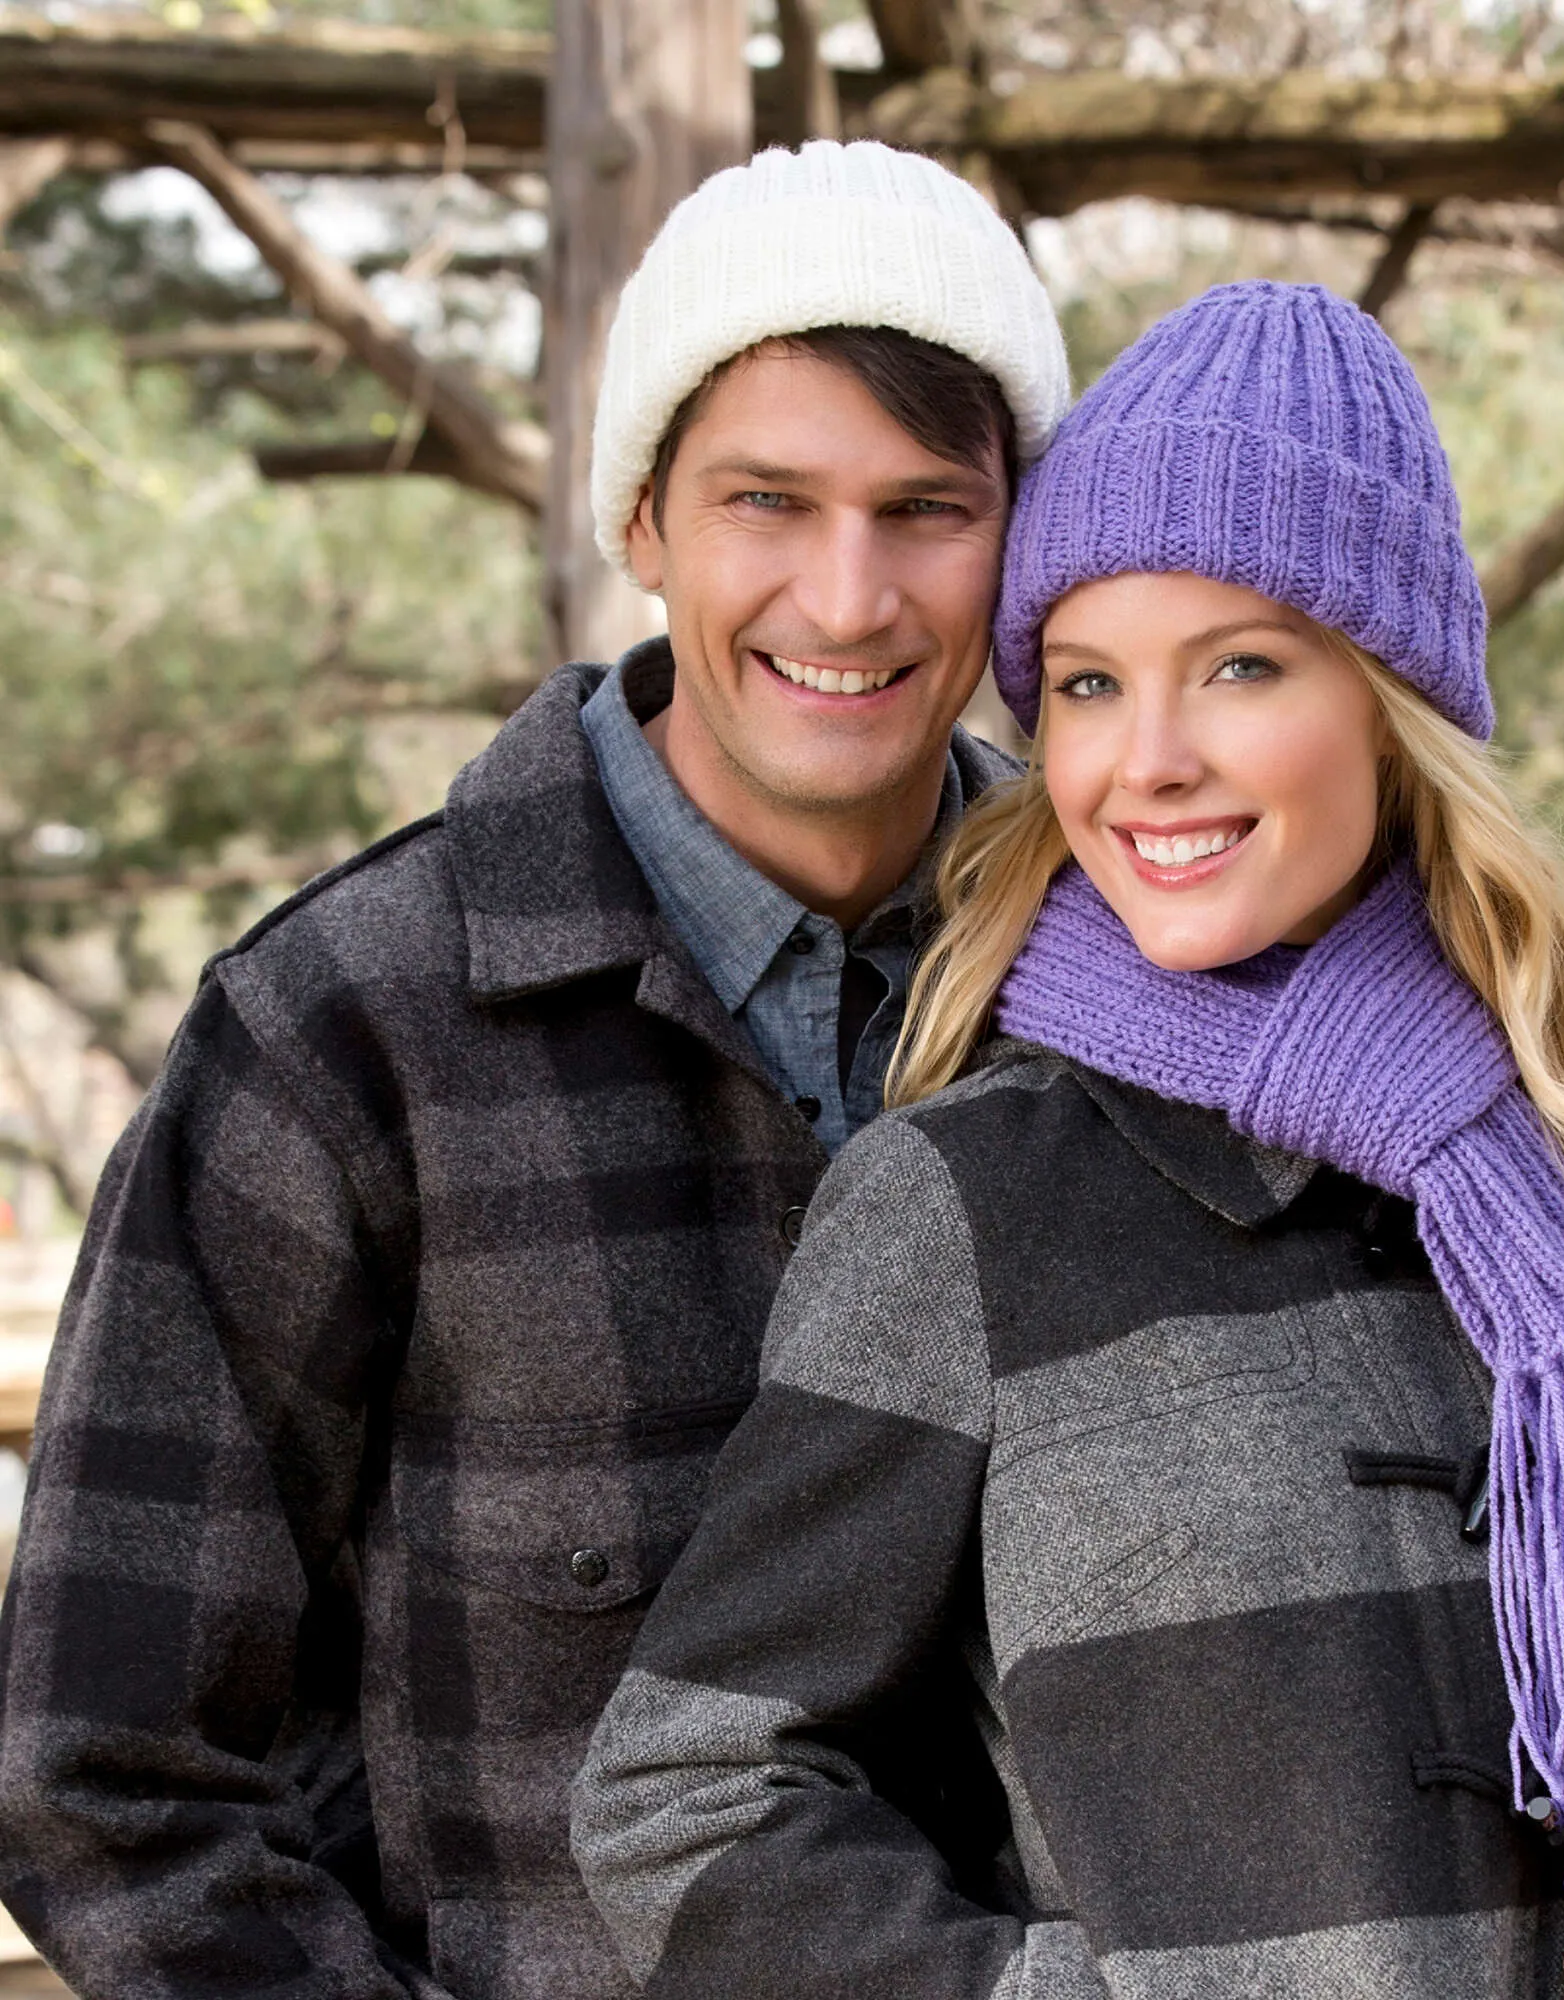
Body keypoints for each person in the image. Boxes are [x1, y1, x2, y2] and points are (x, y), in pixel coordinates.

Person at [570, 282, 1564, 2000]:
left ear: (1389, 707)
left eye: (1240, 667)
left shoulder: (1529, 1180)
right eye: (1091, 685)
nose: (1150, 761)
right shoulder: (968, 1202)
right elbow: (685, 1791)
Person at [0, 141, 1066, 1998]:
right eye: (765, 501)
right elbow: (105, 1770)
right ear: (641, 521)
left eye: (924, 508)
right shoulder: (340, 1031)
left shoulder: (1147, 1008)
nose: (847, 595)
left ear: (1020, 533)